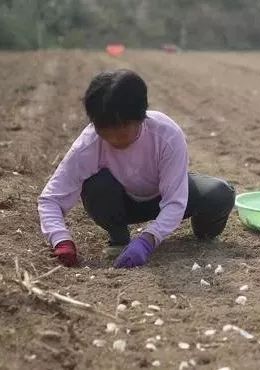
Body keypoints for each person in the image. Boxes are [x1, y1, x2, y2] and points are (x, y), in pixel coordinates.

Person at [38, 69, 235, 268]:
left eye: (121, 129)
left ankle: (203, 232)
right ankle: (119, 238)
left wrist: (148, 241)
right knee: (96, 184)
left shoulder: (167, 135)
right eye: (104, 130)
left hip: (161, 196)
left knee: (219, 193)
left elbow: (175, 202)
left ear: (141, 118)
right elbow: (51, 199)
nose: (113, 138)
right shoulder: (88, 144)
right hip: (122, 203)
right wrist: (61, 240)